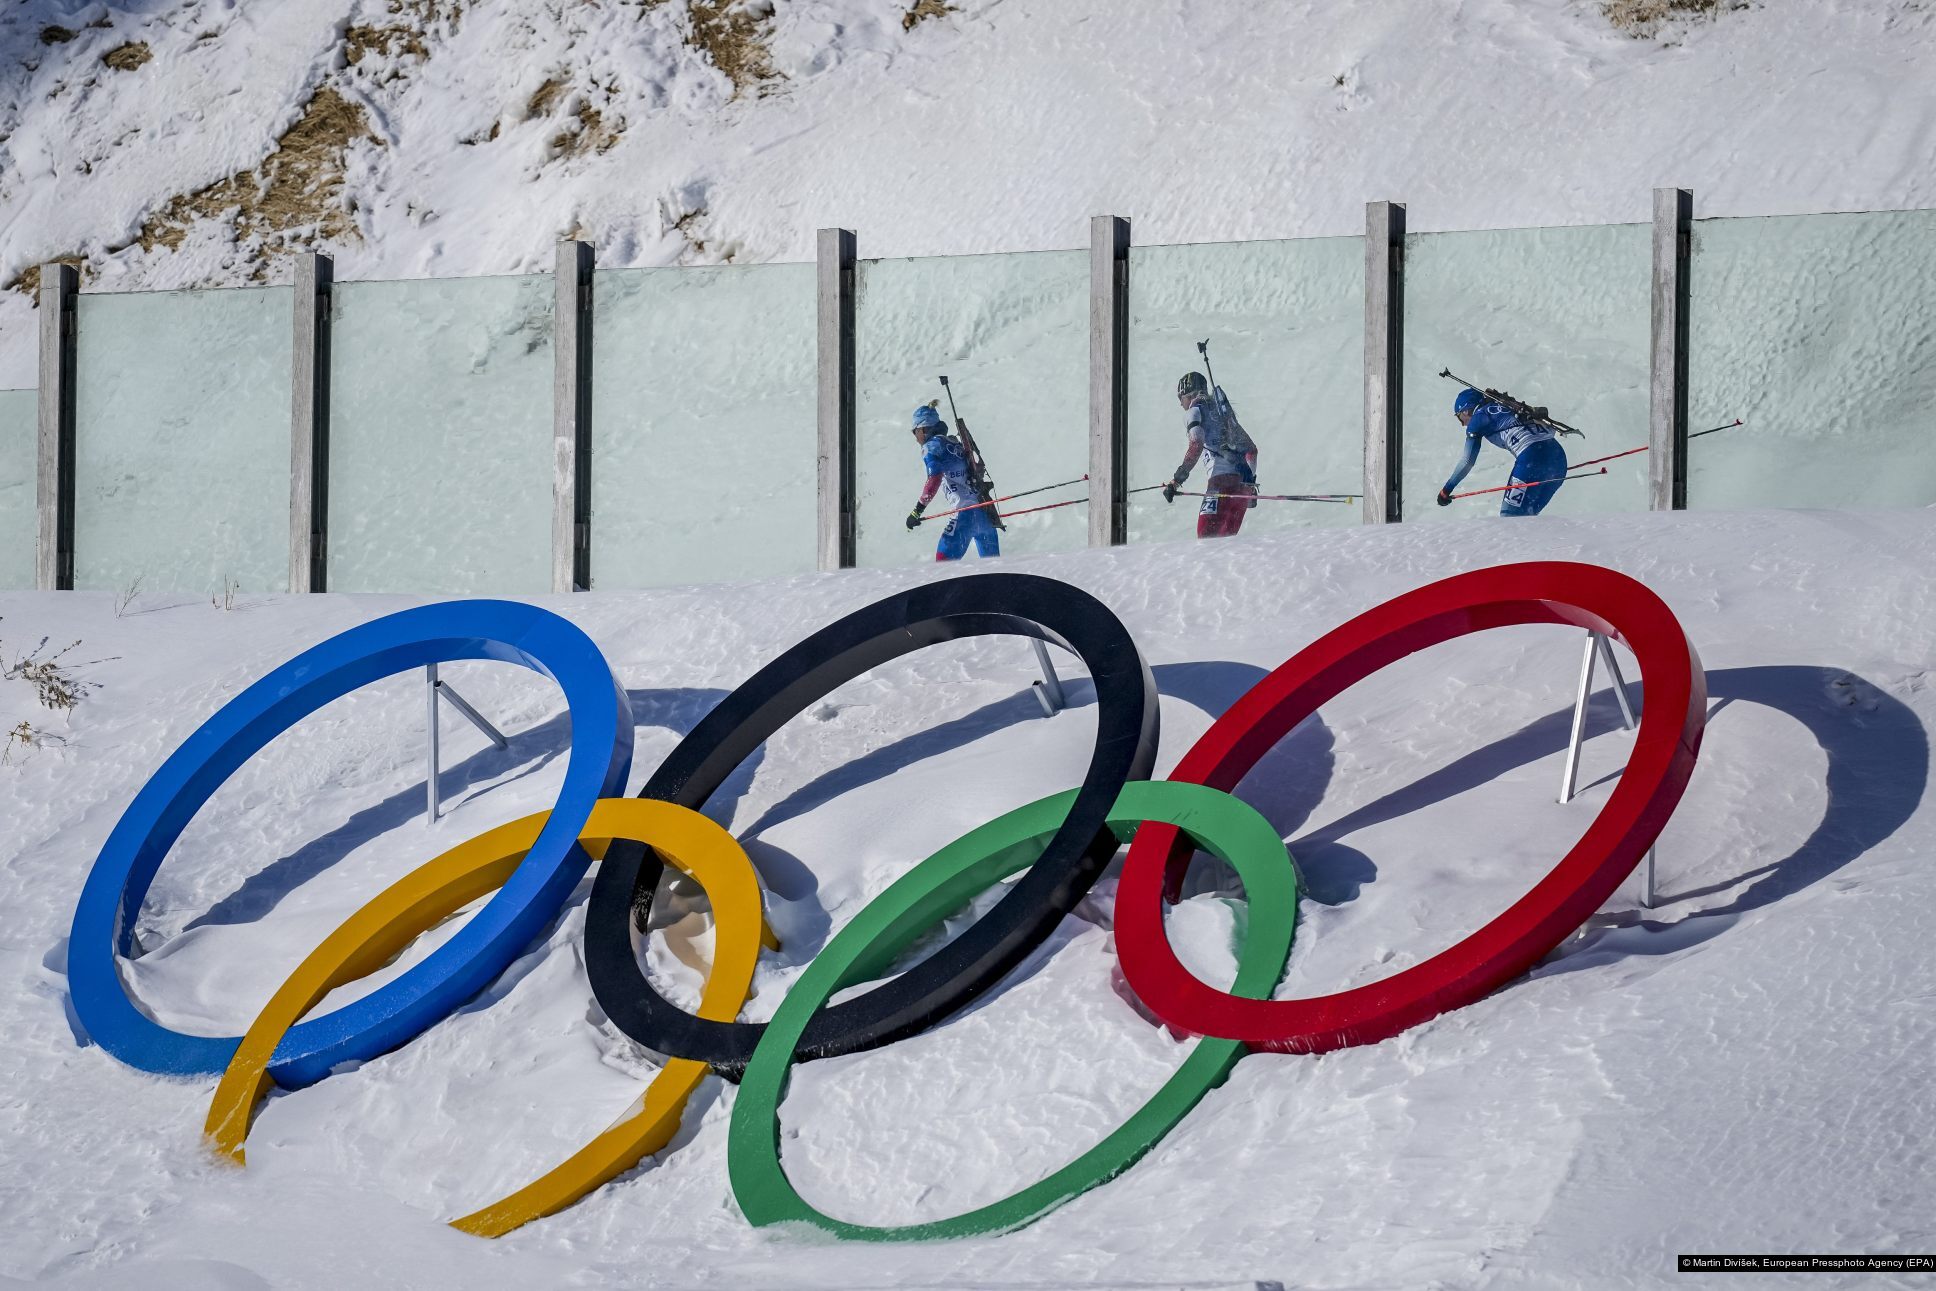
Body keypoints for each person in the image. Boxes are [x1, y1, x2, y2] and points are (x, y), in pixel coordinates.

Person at [1437, 387, 1568, 517]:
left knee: (1509, 520)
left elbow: (1467, 462)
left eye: (1459, 417)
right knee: (1528, 519)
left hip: (1530, 460)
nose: (1462, 424)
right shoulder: (1507, 405)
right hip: (1558, 459)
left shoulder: (1478, 419)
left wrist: (1446, 490)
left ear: (1465, 411)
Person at [1161, 371, 1258, 538]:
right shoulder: (1225, 415)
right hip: (1241, 490)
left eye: (1180, 398)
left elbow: (1196, 445)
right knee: (1225, 548)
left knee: (1205, 540)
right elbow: (1251, 451)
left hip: (1219, 485)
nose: (1181, 404)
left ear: (1189, 395)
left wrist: (1176, 480)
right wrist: (1249, 487)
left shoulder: (1194, 411)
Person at [905, 404, 1000, 561]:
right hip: (985, 515)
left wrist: (917, 511)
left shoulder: (931, 447)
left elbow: (934, 479)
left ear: (922, 429)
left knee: (942, 571)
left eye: (914, 431)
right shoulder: (955, 442)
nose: (915, 438)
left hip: (964, 517)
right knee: (996, 571)